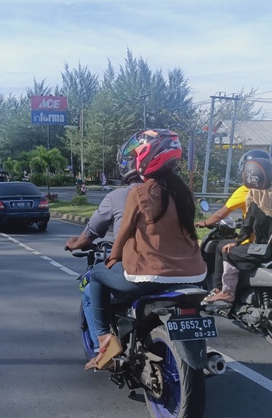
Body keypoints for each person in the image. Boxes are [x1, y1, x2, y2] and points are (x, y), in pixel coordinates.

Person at [85, 129, 206, 370]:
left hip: (150, 276)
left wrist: (113, 257)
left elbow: (124, 232)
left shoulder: (139, 192)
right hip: (194, 276)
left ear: (146, 157)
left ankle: (104, 341)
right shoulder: (184, 194)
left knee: (96, 276)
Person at [64, 134, 145, 350]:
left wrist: (75, 243)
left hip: (142, 272)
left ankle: (105, 346)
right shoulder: (174, 196)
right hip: (186, 274)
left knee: (94, 284)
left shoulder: (122, 196)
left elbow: (92, 233)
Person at [204, 157, 272, 303]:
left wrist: (237, 243)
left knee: (227, 252)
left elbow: (247, 226)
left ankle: (226, 292)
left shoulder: (254, 196)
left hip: (269, 250)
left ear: (250, 176)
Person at [196, 149, 272, 293]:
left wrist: (204, 223)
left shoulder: (246, 191)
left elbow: (221, 213)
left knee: (221, 247)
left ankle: (220, 290)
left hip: (255, 243)